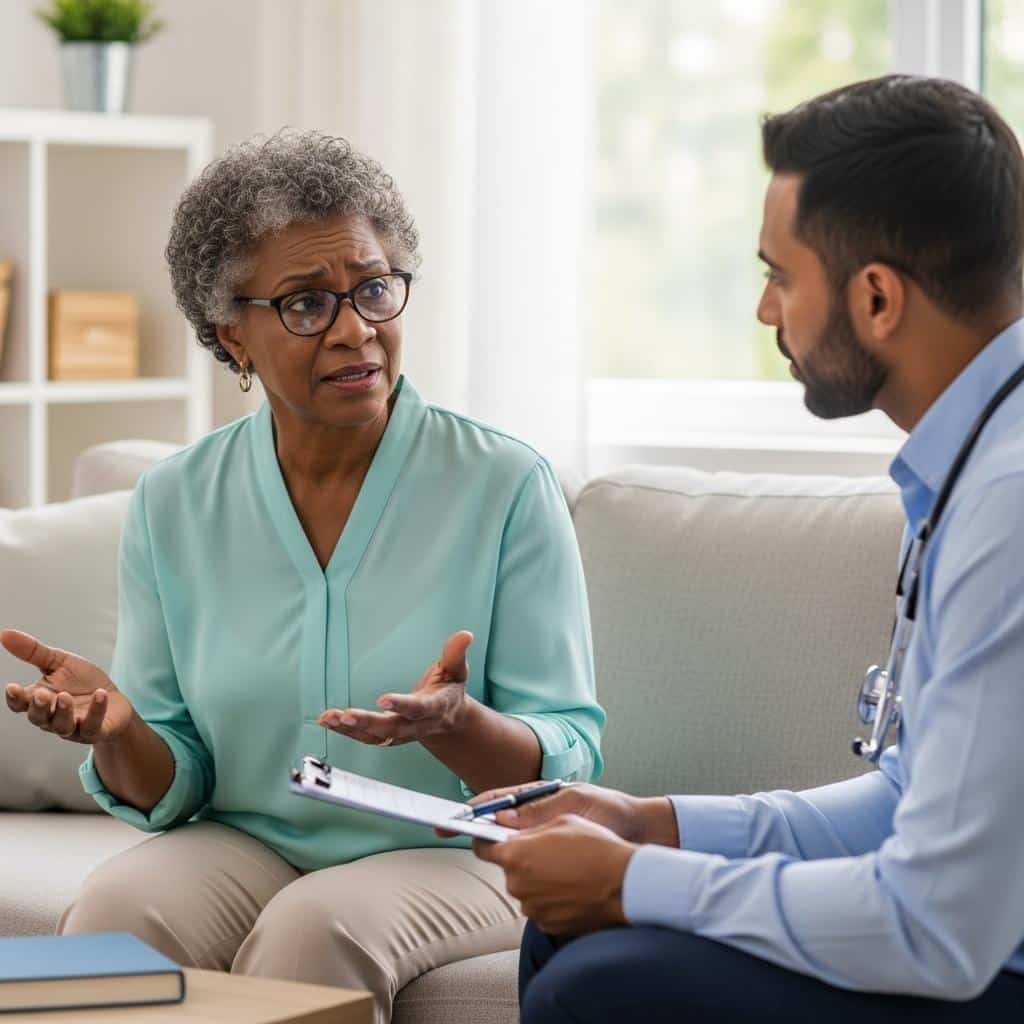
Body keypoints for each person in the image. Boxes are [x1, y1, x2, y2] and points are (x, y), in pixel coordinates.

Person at [1, 130, 605, 1024]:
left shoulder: (504, 485)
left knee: (312, 932)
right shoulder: (173, 501)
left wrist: (461, 727)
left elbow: (573, 753)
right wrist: (118, 730)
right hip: (245, 839)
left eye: (372, 288)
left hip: (457, 854)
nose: (356, 328)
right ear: (228, 335)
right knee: (109, 920)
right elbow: (175, 780)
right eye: (305, 304)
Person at [468, 76, 1024, 1020]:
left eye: (779, 275)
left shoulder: (1009, 506)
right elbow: (905, 800)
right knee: (568, 931)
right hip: (977, 938)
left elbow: (938, 925)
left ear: (878, 296)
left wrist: (637, 878)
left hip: (982, 959)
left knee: (600, 989)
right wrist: (656, 825)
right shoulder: (971, 467)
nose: (769, 313)